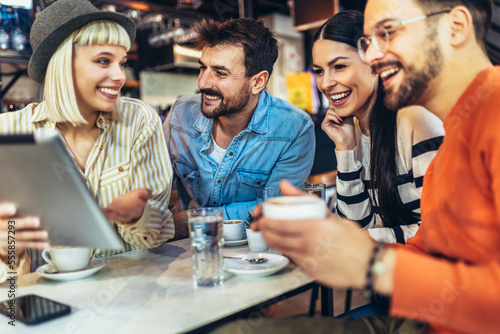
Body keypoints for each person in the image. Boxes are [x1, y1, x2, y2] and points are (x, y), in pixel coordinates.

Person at [214, 0, 499, 333]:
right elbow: (431, 249)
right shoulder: (458, 130)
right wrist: (333, 239)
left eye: (388, 32)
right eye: (368, 43)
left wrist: (372, 263)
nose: (374, 57)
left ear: (456, 27)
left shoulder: (486, 116)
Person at [0, 0, 174, 281]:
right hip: (45, 302)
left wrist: (137, 217)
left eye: (122, 62)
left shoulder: (138, 121)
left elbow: (153, 237)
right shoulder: (9, 132)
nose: (119, 76)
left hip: (127, 294)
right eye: (103, 61)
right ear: (62, 66)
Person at [163, 18, 315, 239]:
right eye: (202, 67)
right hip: (186, 253)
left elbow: (275, 209)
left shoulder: (294, 128)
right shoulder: (181, 113)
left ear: (257, 82)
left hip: (257, 254)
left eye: (220, 73)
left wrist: (191, 221)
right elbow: (153, 184)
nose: (203, 83)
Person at [313, 10, 444, 244]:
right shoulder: (352, 129)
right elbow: (357, 225)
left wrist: (359, 240)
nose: (326, 83)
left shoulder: (415, 119)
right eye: (319, 71)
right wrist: (345, 149)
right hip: (387, 272)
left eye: (339, 66)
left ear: (374, 63)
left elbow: (444, 231)